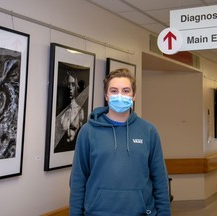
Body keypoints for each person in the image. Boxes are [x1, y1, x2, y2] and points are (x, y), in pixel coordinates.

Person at [69, 68, 171, 215]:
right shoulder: (88, 131)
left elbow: (160, 180)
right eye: (114, 91)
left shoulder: (148, 131)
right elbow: (78, 180)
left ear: (134, 96)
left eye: (125, 91)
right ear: (106, 96)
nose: (120, 95)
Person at [55, 71, 85, 152]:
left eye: (73, 84)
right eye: (68, 84)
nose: (70, 88)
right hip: (59, 151)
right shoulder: (58, 111)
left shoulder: (80, 111)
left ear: (76, 87)